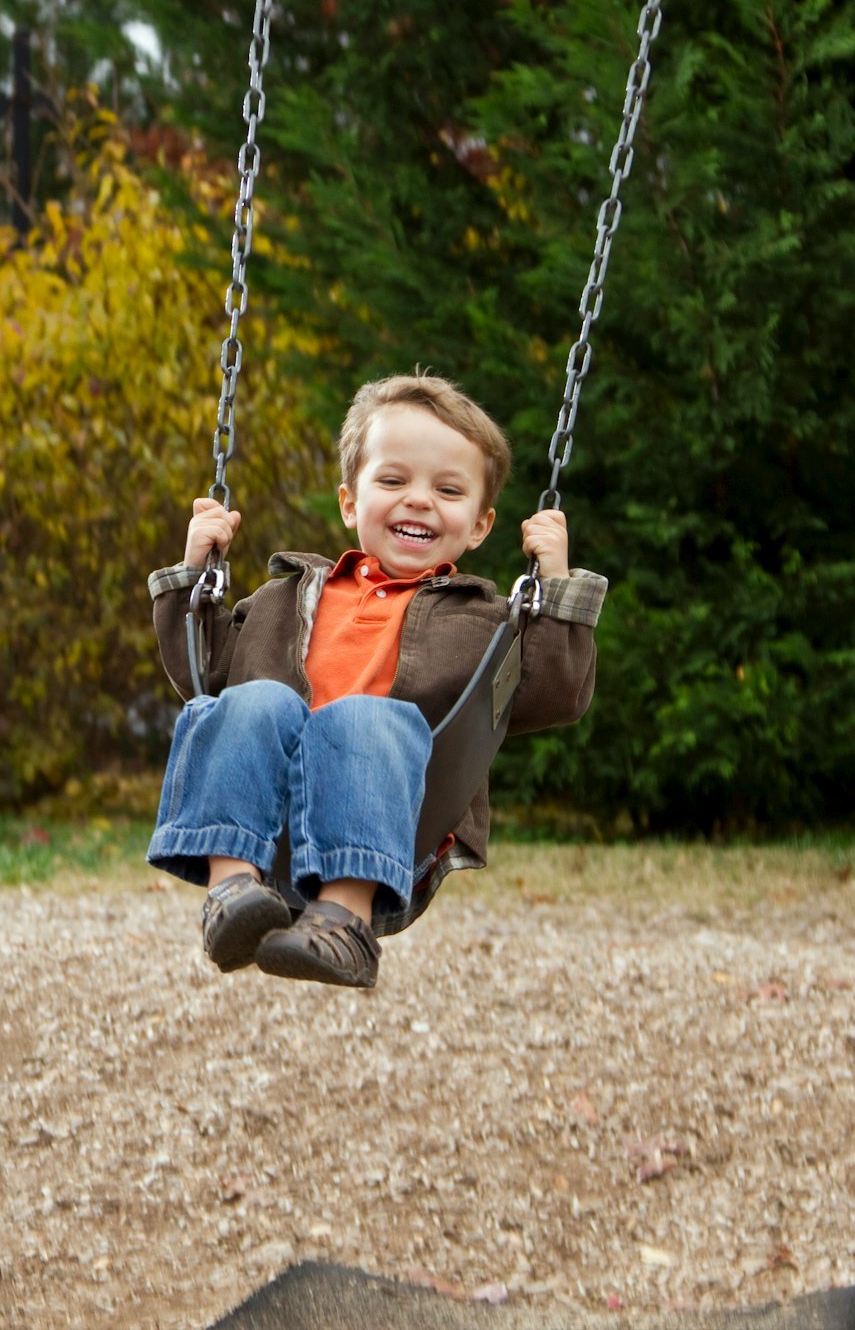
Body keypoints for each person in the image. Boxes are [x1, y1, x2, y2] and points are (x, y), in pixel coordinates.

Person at [147, 373, 607, 989]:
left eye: (448, 489)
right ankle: (233, 892)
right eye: (393, 480)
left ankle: (344, 923)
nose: (418, 499)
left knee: (364, 716)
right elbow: (202, 673)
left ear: (479, 525)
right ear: (349, 501)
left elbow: (555, 692)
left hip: (392, 811)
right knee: (250, 702)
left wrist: (553, 589)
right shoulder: (281, 598)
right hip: (272, 801)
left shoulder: (485, 622)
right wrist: (193, 575)